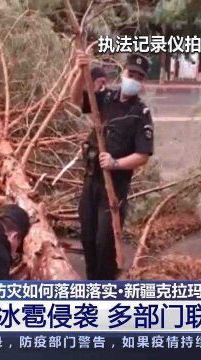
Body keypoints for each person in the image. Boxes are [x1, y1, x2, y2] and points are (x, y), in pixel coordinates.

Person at [70, 53, 154, 280]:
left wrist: (115, 163)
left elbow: (143, 155)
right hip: (91, 182)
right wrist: (81, 72)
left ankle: (105, 293)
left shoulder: (141, 112)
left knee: (104, 243)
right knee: (87, 237)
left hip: (115, 188)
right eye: (131, 73)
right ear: (123, 73)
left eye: (139, 76)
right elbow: (77, 99)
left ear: (142, 81)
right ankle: (91, 285)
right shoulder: (107, 98)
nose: (133, 79)